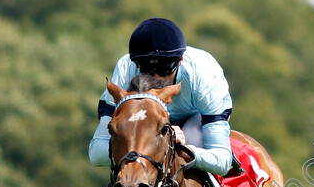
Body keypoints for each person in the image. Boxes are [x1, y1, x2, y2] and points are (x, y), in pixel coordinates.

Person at [89, 17, 233, 176]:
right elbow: (96, 153)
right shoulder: (124, 71)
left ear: (180, 61)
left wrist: (172, 144)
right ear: (136, 64)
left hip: (195, 119)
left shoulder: (203, 74)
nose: (156, 78)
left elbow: (223, 160)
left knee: (192, 139)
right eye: (146, 69)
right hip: (145, 124)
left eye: (164, 69)